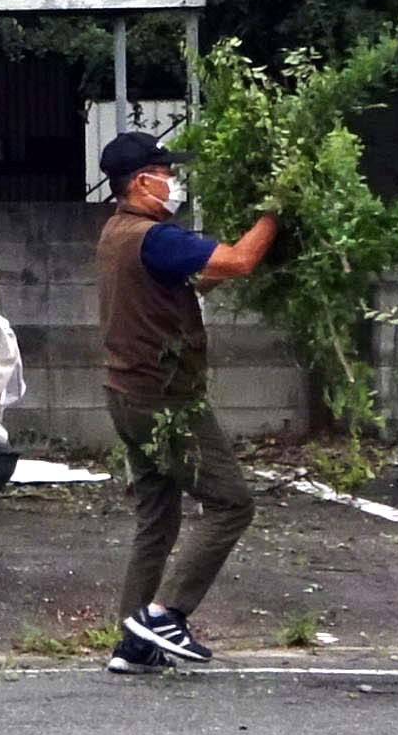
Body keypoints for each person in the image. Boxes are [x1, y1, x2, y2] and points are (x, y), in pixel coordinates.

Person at [96, 130, 279, 673]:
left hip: (126, 395)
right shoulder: (155, 237)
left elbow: (195, 280)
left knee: (157, 522)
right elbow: (241, 261)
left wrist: (227, 261)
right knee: (231, 503)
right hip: (164, 399)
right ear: (141, 182)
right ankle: (166, 614)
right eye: (164, 173)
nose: (172, 182)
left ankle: (134, 644)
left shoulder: (116, 234)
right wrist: (276, 212)